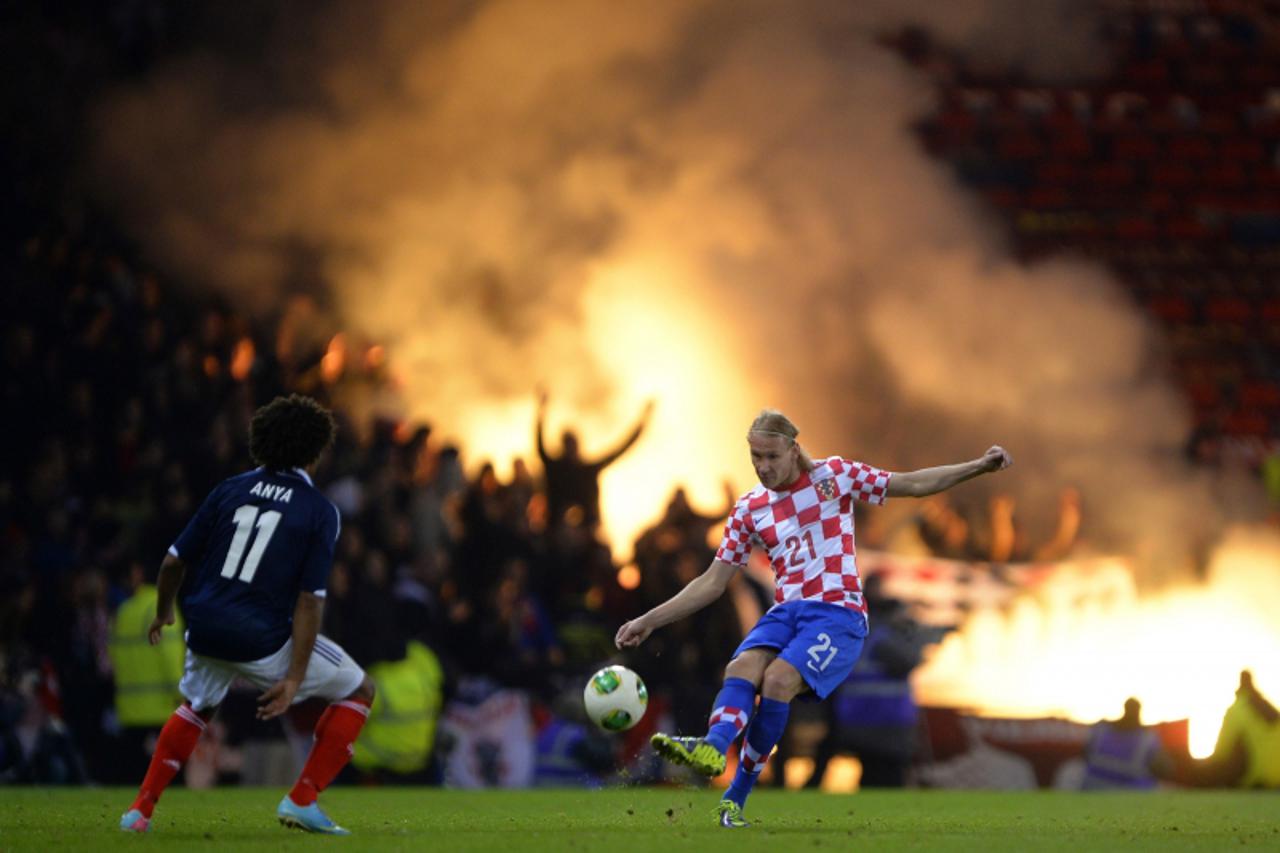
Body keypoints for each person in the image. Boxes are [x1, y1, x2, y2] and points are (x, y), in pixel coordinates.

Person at [615, 409, 1012, 828]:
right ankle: (713, 747)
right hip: (786, 612)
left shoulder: (834, 476)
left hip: (837, 614)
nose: (763, 467)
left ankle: (736, 796)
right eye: (756, 457)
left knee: (777, 680)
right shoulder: (749, 508)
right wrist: (650, 620)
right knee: (742, 666)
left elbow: (911, 484)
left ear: (793, 449)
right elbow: (712, 583)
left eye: (771, 456)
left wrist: (977, 467)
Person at [118, 394, 376, 835]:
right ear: (315, 450)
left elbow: (172, 562)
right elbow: (310, 601)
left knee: (197, 706)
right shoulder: (319, 511)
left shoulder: (229, 489)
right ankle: (303, 798)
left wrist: (164, 613)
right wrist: (293, 678)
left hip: (204, 628)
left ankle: (139, 811)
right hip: (262, 641)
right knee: (360, 690)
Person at [536, 392, 653, 530]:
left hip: (581, 533)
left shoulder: (575, 469)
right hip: (562, 532)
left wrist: (642, 422)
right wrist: (541, 412)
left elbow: (621, 448)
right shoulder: (568, 469)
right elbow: (540, 446)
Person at [1080, 698, 1172, 790]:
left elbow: (1085, 754)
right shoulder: (1148, 738)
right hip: (1127, 793)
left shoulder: (1101, 728)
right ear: (1138, 711)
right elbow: (1163, 768)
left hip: (1092, 787)